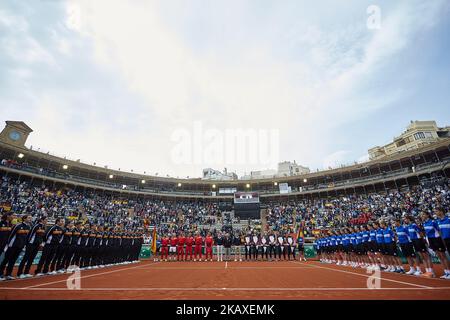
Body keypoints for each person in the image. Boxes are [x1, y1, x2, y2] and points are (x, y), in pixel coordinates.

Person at [0, 214, 32, 280]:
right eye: (29, 218)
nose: (30, 219)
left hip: (20, 246)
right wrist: (8, 244)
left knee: (13, 260)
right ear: (24, 218)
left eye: (30, 218)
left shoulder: (28, 227)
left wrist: (24, 245)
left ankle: (8, 274)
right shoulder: (18, 225)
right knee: (6, 260)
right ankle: (0, 274)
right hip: (12, 246)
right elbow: (11, 235)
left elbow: (26, 237)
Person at [421, 211, 447, 278]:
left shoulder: (433, 222)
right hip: (431, 240)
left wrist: (442, 240)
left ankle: (448, 272)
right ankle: (446, 272)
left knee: (443, 256)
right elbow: (427, 233)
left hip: (437, 239)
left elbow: (439, 231)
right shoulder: (424, 223)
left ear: (427, 215)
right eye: (422, 215)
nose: (422, 216)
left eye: (423, 214)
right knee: (439, 257)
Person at [435, 207, 450, 279]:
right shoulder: (438, 221)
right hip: (445, 240)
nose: (436, 213)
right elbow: (440, 232)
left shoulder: (448, 219)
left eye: (437, 211)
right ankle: (448, 273)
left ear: (441, 211)